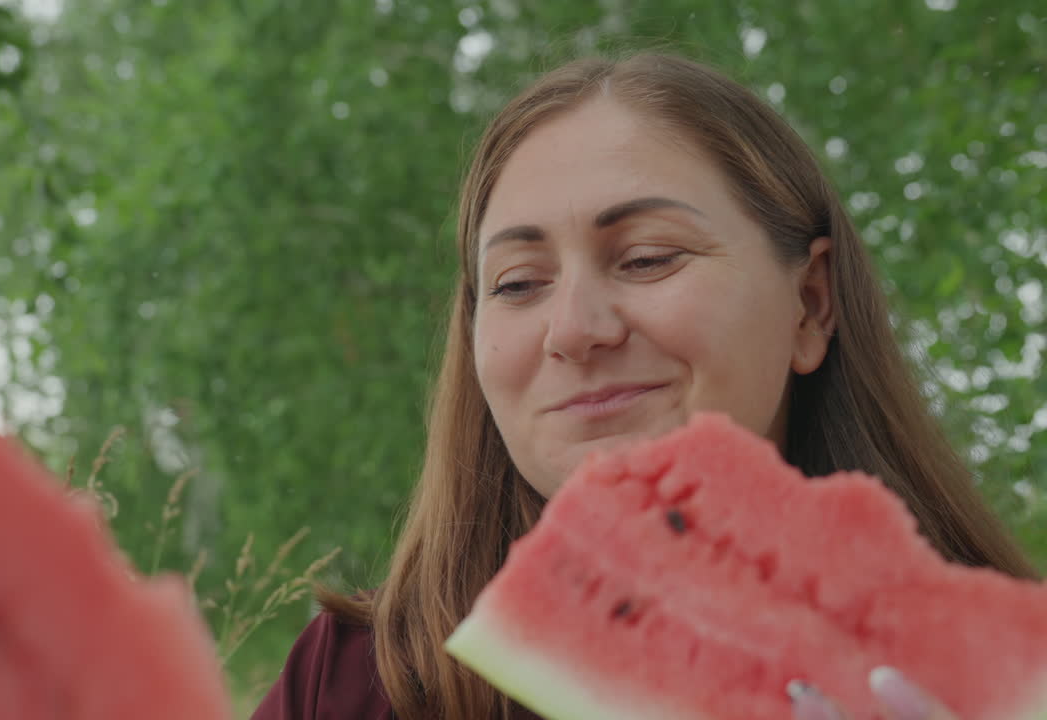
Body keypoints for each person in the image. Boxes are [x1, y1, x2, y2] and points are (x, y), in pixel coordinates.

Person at [249, 51, 1039, 720]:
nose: (574, 329)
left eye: (648, 259)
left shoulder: (1000, 677)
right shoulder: (353, 684)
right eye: (519, 283)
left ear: (811, 302)